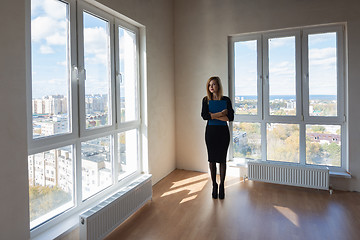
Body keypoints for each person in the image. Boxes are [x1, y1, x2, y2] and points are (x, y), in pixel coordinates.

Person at [201, 76, 234, 199]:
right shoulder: (206, 100)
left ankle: (222, 186)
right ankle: (214, 185)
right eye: (209, 85)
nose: (211, 87)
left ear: (218, 86)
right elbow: (205, 116)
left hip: (223, 133)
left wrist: (213, 115)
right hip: (211, 133)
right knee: (212, 160)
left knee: (222, 160)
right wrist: (221, 114)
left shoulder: (226, 100)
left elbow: (230, 118)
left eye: (214, 84)